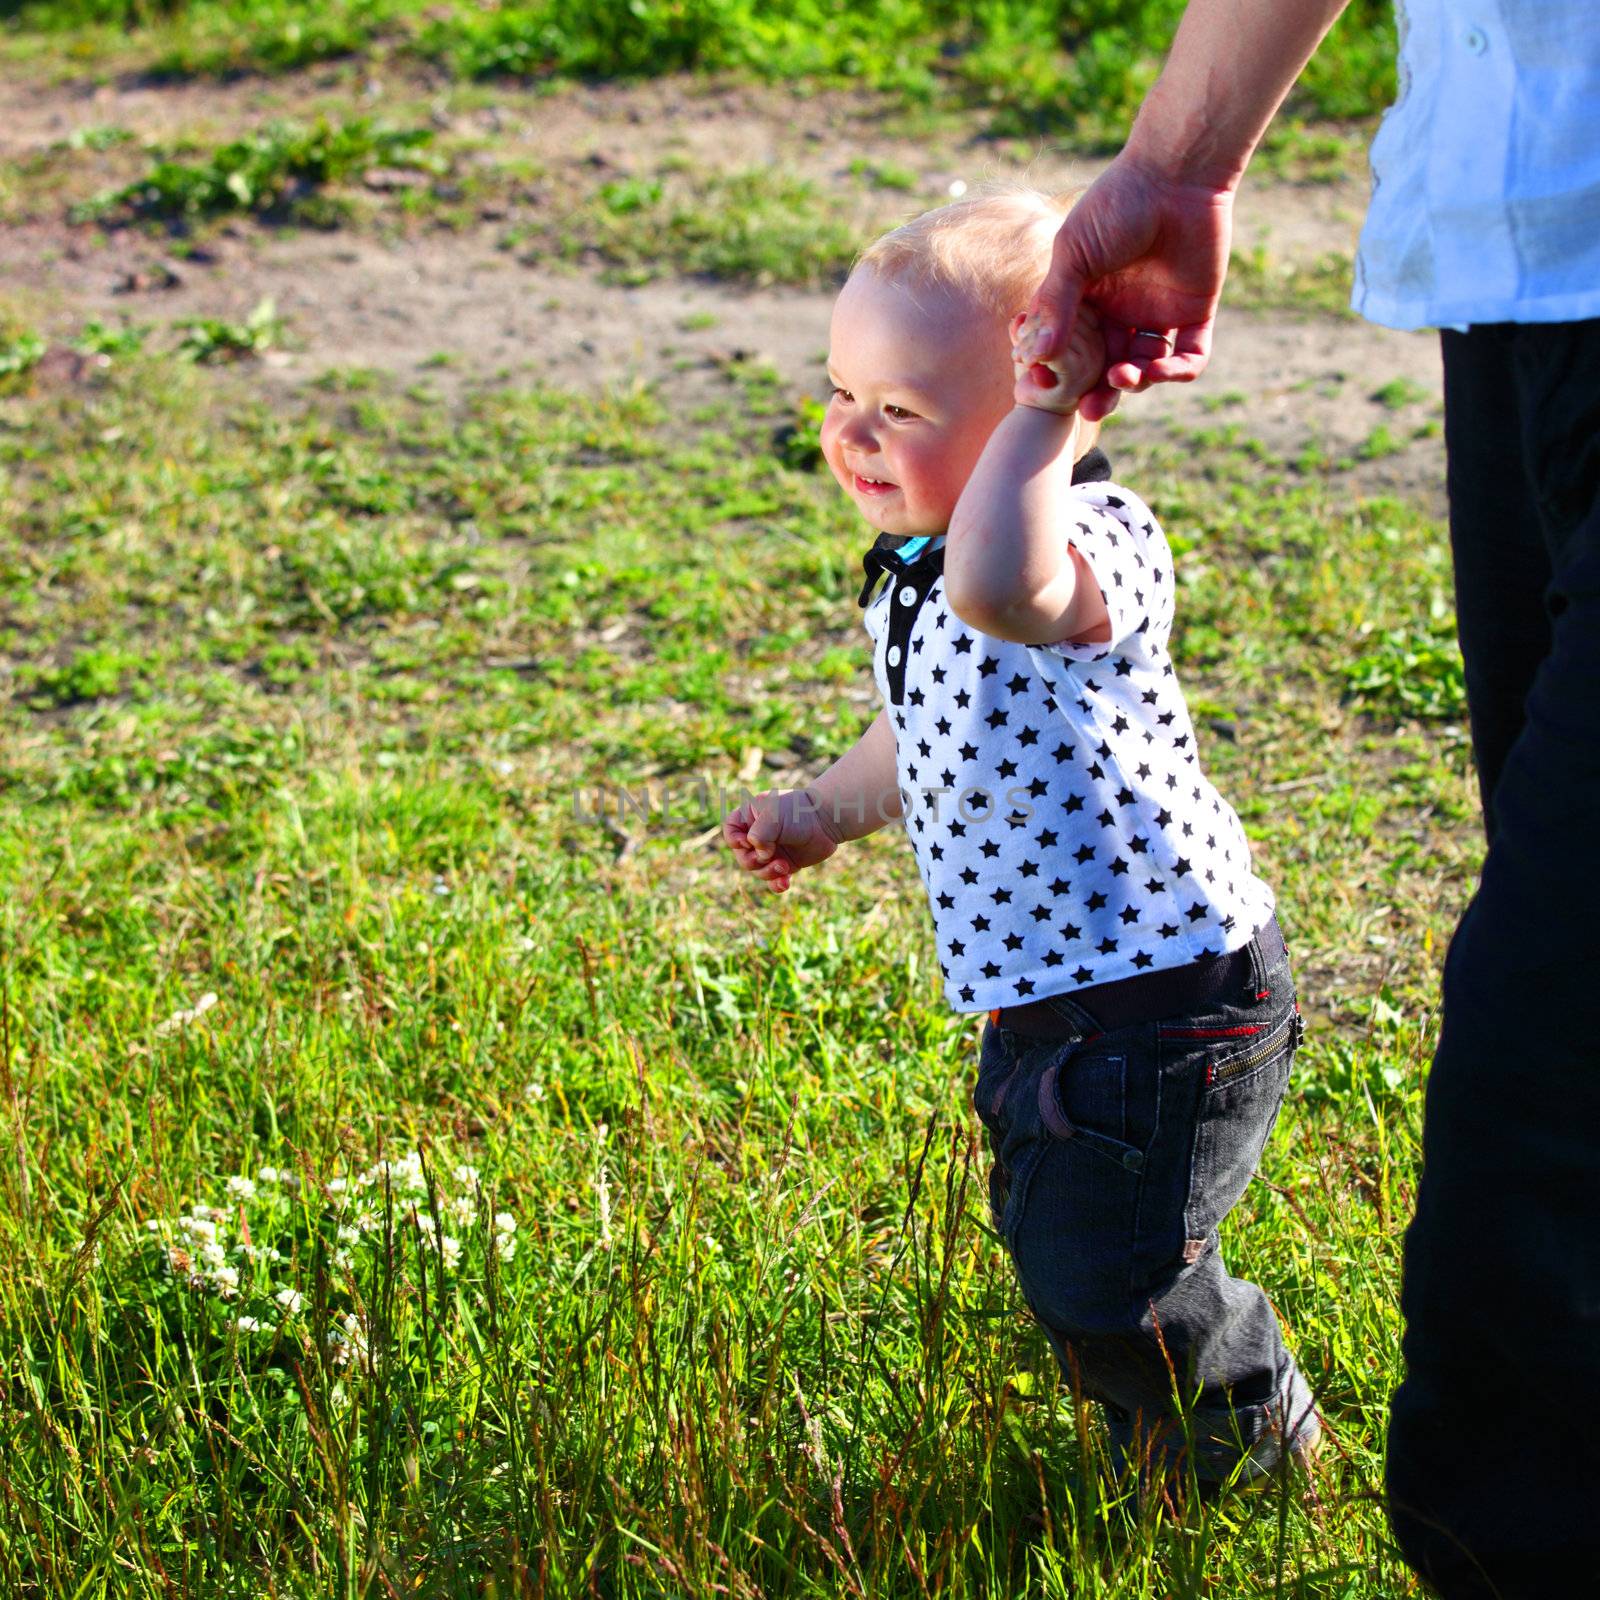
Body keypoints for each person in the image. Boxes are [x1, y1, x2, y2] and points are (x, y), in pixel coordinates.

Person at [1016, 2, 1600, 1592]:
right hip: (1527, 270)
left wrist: (1032, 428)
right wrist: (1177, 159)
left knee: (1551, 1066)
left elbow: (1007, 576)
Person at [722, 187, 1321, 1498]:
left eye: (907, 411)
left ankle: (1251, 1432)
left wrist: (1052, 412)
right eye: (844, 395)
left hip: (1169, 998)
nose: (853, 436)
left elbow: (1004, 586)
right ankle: (1176, 1435)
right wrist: (824, 810)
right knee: (1067, 1244)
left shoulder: (1091, 546)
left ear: (1051, 414)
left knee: (1107, 1267)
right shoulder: (924, 566)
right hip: (1052, 1003)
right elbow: (918, 729)